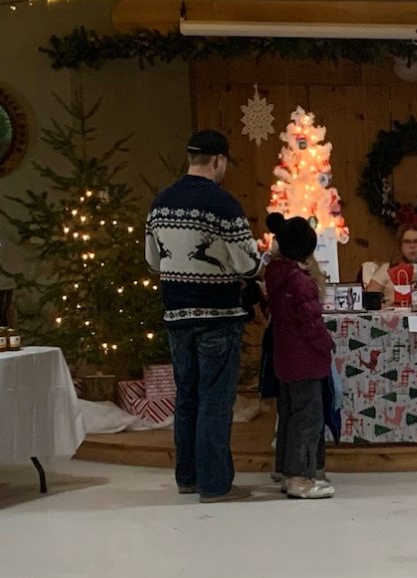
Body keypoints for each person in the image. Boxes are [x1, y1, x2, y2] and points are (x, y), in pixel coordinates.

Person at [144, 129, 263, 503]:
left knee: (187, 399)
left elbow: (152, 261)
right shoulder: (224, 206)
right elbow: (247, 265)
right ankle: (215, 485)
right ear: (218, 161)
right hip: (218, 315)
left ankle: (188, 478)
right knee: (215, 400)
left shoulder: (160, 204)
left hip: (176, 314)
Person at [262, 215, 336, 500]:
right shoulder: (301, 282)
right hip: (305, 360)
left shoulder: (275, 273)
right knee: (308, 419)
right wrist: (326, 344)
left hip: (285, 358)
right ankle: (300, 478)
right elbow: (311, 324)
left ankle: (285, 470)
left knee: (290, 417)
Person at [388, 226, 417, 307]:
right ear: (400, 245)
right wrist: (388, 304)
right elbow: (368, 302)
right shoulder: (387, 268)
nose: (412, 246)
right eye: (407, 242)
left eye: (416, 241)